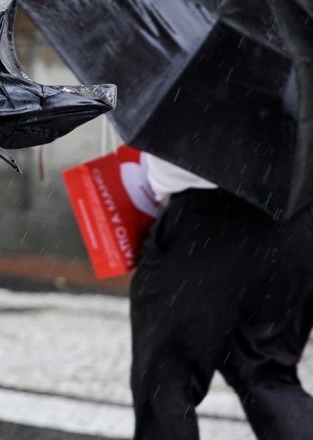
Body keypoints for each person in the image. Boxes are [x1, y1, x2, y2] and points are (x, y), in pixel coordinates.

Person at [129, 154, 313, 439]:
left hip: (206, 220)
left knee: (166, 381)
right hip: (293, 218)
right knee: (268, 374)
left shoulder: (199, 113)